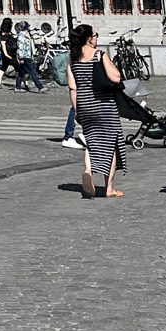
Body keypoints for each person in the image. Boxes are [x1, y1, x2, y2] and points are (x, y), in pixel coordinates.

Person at [68, 23, 123, 199]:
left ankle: (88, 170)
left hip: (84, 105)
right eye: (95, 35)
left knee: (90, 142)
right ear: (89, 38)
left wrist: (77, 110)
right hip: (104, 105)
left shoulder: (73, 58)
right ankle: (109, 188)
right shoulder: (99, 55)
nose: (96, 38)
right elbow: (116, 77)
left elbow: (72, 88)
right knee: (111, 145)